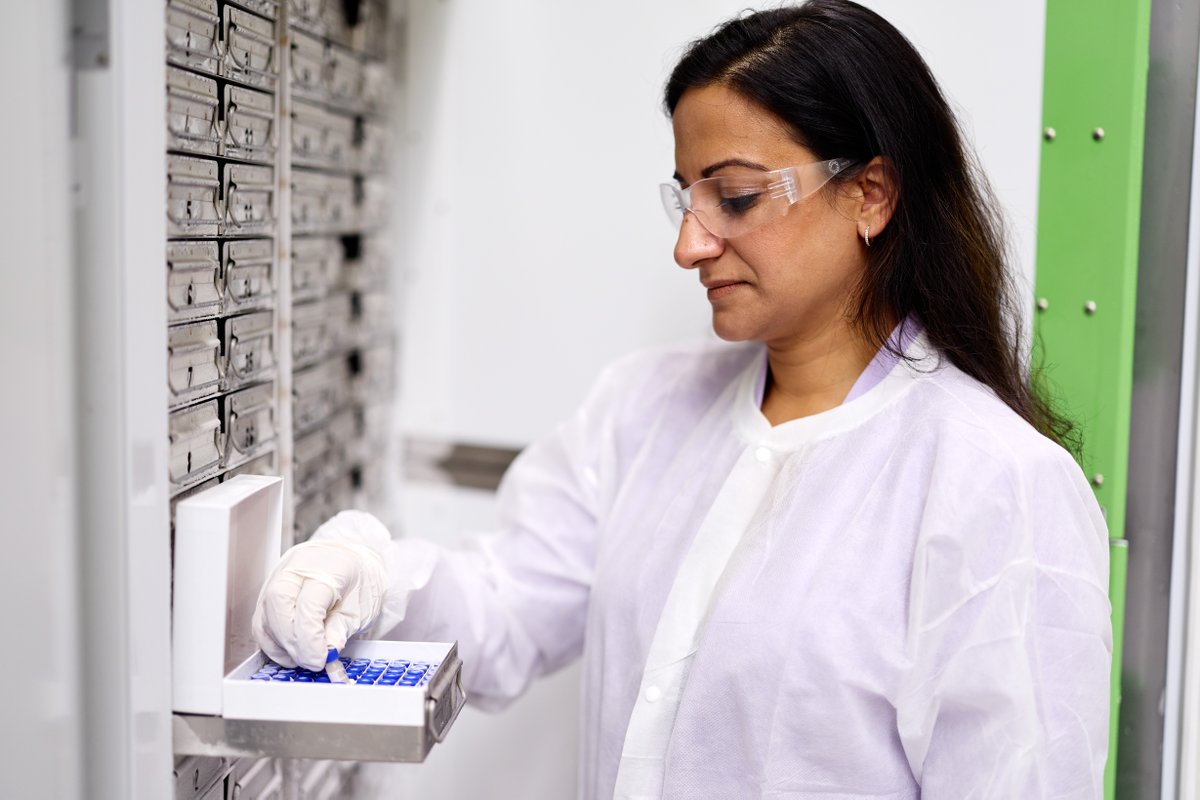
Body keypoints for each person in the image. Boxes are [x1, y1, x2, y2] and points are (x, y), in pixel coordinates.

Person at [253, 1, 1112, 796]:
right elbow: (508, 602)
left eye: (734, 198)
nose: (690, 244)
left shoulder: (993, 484)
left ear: (871, 195)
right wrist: (375, 582)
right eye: (687, 196)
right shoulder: (646, 408)